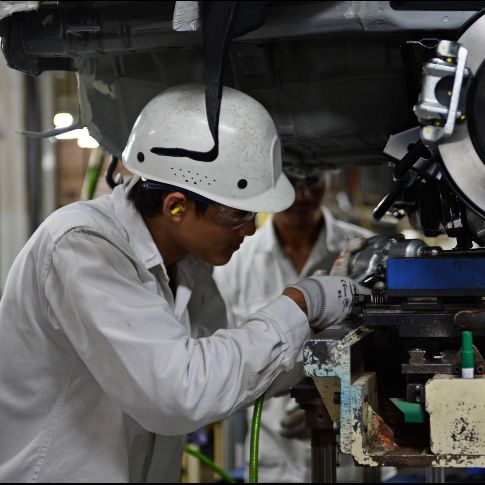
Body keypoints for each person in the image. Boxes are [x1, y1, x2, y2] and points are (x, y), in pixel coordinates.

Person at [0, 84, 365, 482]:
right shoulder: (83, 246)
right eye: (237, 217)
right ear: (176, 205)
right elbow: (180, 394)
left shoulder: (187, 266)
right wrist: (300, 302)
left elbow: (225, 371)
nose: (247, 232)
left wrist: (325, 356)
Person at [213, 166, 373, 482]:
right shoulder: (236, 263)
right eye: (291, 183)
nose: (302, 195)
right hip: (275, 459)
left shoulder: (364, 253)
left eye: (312, 180)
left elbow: (393, 348)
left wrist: (337, 398)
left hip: (356, 460)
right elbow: (225, 365)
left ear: (329, 177)